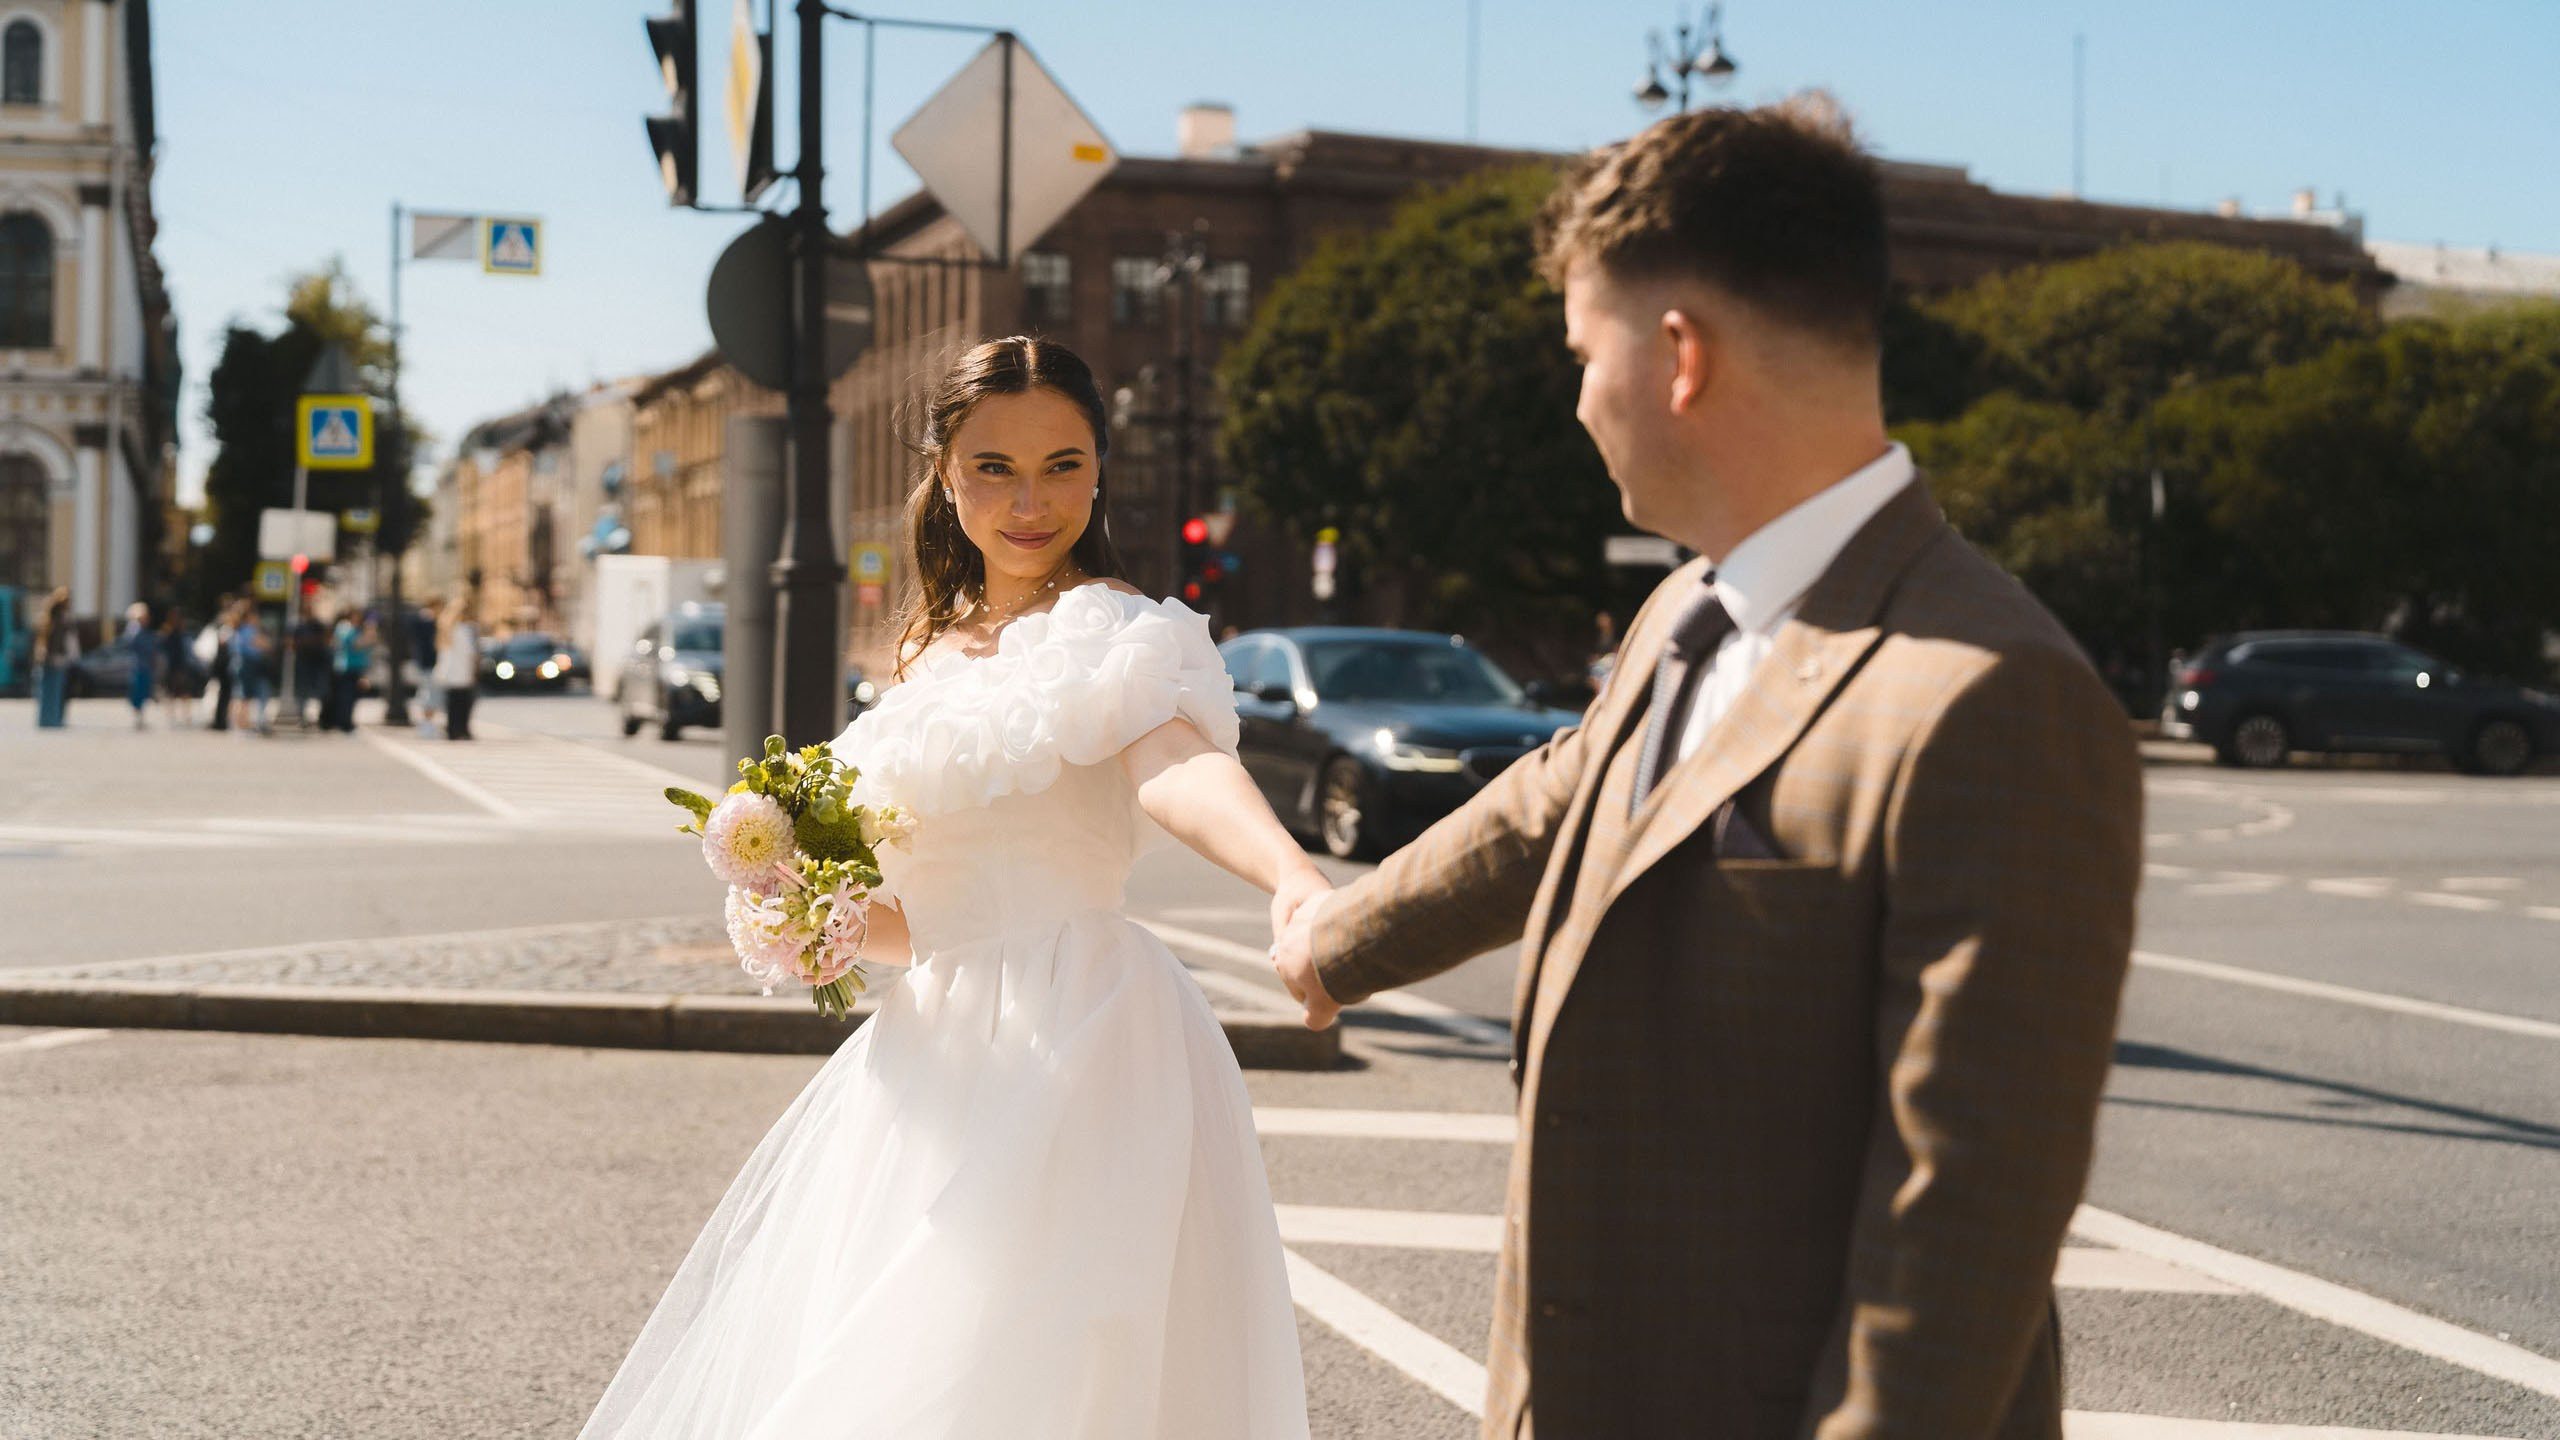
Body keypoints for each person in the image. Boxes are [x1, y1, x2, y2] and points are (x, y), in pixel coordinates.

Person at [1270, 96, 2145, 1440]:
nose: (1576, 399)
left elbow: (1954, 1236)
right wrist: (1334, 938)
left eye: (1582, 353)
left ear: (1679, 356)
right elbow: (1550, 806)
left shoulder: (1991, 694)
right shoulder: (1692, 610)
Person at [580, 338, 1322, 1440]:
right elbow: (932, 916)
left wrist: (1292, 876)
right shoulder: (924, 650)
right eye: (994, 468)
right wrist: (822, 924)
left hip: (1080, 1037)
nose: (1032, 502)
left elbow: (1179, 767)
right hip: (924, 1060)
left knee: (1033, 1376)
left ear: (1101, 471)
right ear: (943, 472)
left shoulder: (1120, 633)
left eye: (1064, 465)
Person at [30, 586, 73, 728]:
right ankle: (53, 720)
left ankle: (45, 720)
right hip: (55, 660)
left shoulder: (45, 617)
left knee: (44, 693)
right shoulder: (60, 619)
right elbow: (59, 642)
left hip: (43, 660)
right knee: (55, 693)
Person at [433, 601, 477, 740]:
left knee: (452, 704)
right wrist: (474, 670)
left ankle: (452, 730)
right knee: (463, 703)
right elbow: (470, 653)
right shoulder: (462, 630)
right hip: (462, 672)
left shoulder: (445, 630)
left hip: (449, 673)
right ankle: (461, 730)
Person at [229, 600, 274, 736]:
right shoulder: (249, 630)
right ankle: (242, 726)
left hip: (239, 663)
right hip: (248, 664)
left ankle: (236, 725)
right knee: (244, 697)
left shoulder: (238, 629)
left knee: (239, 695)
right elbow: (265, 645)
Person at [327, 611, 373, 732]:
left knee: (351, 696)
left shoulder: (353, 629)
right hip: (346, 667)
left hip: (354, 667)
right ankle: (344, 722)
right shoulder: (346, 628)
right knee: (346, 696)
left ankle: (345, 721)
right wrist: (367, 637)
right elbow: (355, 644)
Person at [157, 609, 198, 727]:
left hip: (181, 666)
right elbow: (162, 650)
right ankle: (171, 715)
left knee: (184, 691)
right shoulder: (167, 633)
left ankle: (186, 716)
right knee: (171, 692)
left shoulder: (182, 633)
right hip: (171, 666)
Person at [119, 601, 156, 729]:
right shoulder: (134, 630)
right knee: (137, 692)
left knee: (144, 691)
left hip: (145, 665)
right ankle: (137, 717)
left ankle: (140, 716)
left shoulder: (145, 631)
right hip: (137, 665)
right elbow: (128, 644)